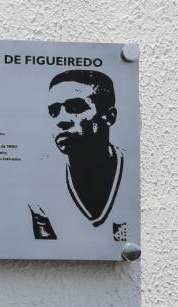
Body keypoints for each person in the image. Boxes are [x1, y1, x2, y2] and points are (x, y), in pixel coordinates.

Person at [29, 69, 129, 245]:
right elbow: (46, 251)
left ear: (108, 116)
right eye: (54, 112)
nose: (61, 120)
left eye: (75, 108)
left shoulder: (134, 173)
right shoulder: (40, 189)